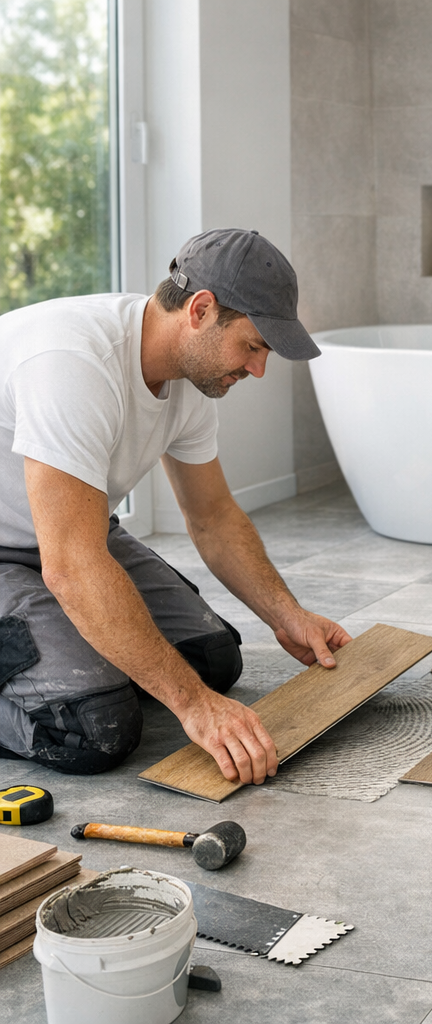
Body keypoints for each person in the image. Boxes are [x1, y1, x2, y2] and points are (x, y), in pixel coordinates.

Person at [0, 228, 351, 784]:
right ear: (201, 309)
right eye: (254, 345)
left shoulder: (189, 378)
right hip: (28, 547)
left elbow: (213, 517)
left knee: (213, 659)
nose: (258, 369)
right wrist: (194, 707)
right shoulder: (73, 362)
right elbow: (70, 567)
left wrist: (289, 616)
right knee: (94, 729)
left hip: (66, 533)